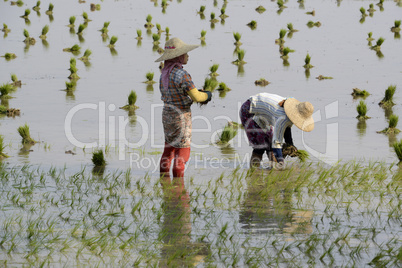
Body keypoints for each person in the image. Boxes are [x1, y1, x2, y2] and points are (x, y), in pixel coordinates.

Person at [156, 37, 212, 178]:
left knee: (168, 150)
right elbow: (197, 97)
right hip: (181, 117)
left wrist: (196, 92)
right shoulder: (182, 75)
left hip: (167, 115)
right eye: (185, 53)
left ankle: (165, 183)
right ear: (179, 56)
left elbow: (177, 92)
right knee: (183, 152)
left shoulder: (164, 74)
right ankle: (178, 187)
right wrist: (208, 95)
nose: (188, 55)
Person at [239, 92, 314, 168]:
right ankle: (254, 173)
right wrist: (281, 161)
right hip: (249, 111)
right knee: (260, 146)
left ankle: (273, 170)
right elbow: (276, 142)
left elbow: (287, 129)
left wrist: (290, 145)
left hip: (263, 114)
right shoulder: (282, 118)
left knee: (270, 145)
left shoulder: (290, 110)